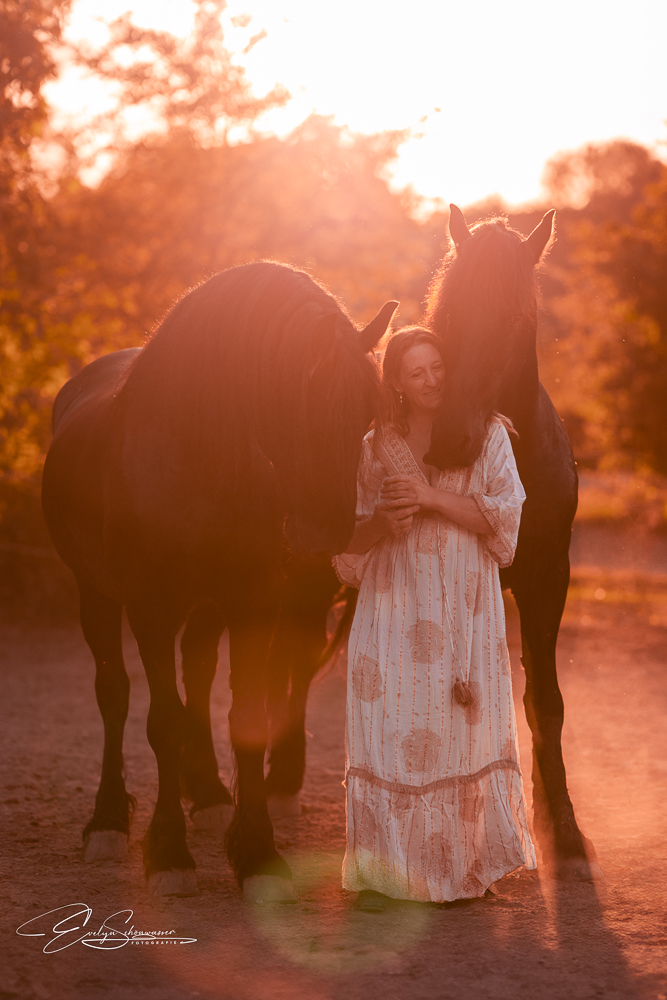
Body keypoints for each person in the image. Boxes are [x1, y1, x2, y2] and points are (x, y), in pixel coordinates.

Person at [333, 326, 536, 912]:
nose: (430, 380)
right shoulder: (375, 445)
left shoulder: (483, 432)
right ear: (395, 382)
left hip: (463, 603)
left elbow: (503, 519)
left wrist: (427, 499)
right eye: (416, 372)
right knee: (390, 724)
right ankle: (385, 875)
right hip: (391, 601)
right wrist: (383, 525)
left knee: (457, 730)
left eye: (437, 366)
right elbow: (349, 541)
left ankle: (459, 869)